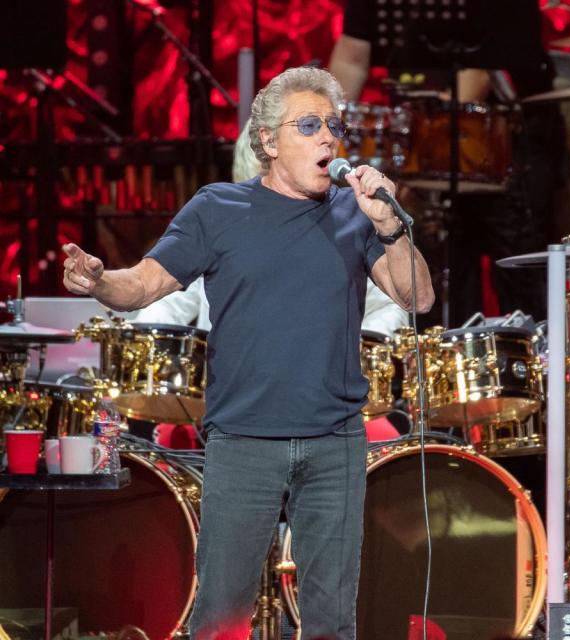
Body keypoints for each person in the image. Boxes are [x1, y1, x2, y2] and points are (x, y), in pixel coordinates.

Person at [62, 66, 434, 639]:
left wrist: (388, 225)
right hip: (243, 441)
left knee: (332, 621)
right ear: (267, 141)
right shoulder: (219, 208)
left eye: (332, 126)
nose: (326, 138)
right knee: (221, 617)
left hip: (334, 441)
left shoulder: (353, 214)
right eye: (308, 125)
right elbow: (143, 285)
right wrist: (99, 280)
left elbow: (420, 297)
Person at [329, 0, 564, 325]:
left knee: (517, 270)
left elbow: (477, 71)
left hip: (503, 139)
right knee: (445, 262)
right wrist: (330, 124)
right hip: (425, 133)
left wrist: (426, 142)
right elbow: (352, 57)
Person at [135, 115, 408, 336]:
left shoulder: (343, 231)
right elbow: (167, 303)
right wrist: (146, 339)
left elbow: (390, 307)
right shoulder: (221, 226)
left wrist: (356, 354)